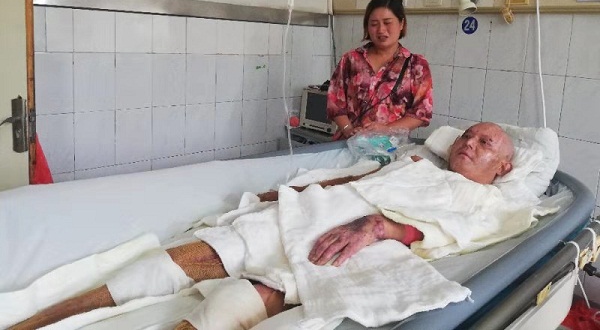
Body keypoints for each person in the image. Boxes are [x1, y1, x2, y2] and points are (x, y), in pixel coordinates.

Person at [11, 123, 514, 330]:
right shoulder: (415, 161)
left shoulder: (488, 200)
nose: (468, 144)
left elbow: (455, 235)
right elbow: (358, 178)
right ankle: (30, 322)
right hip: (319, 209)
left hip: (362, 242)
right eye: (467, 136)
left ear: (504, 167)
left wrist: (377, 228)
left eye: (484, 144)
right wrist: (292, 192)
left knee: (235, 303)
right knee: (167, 264)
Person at [327, 0, 433, 139]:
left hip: (390, 147)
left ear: (401, 24)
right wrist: (348, 130)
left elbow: (421, 112)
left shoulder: (416, 65)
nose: (381, 30)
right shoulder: (351, 59)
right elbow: (334, 102)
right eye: (374, 24)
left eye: (387, 22)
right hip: (348, 144)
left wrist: (386, 129)